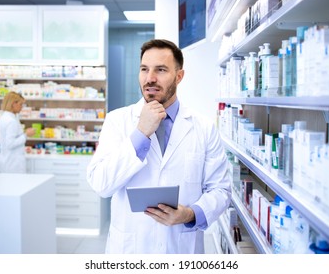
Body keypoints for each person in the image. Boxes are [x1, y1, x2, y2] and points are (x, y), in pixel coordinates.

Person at [87, 39, 231, 254]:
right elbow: (101, 184)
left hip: (181, 248)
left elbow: (220, 190)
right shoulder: (117, 121)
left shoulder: (203, 127)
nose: (150, 78)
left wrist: (190, 214)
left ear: (179, 76)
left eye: (161, 70)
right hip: (130, 250)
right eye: (144, 69)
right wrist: (141, 133)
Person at [0, 91, 35, 173]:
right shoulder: (11, 121)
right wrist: (26, 135)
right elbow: (10, 144)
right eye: (20, 104)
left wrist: (23, 147)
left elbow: (11, 139)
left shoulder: (4, 117)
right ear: (13, 104)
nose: (22, 107)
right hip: (13, 164)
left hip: (7, 160)